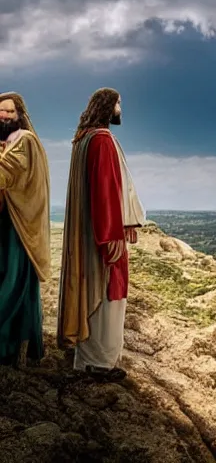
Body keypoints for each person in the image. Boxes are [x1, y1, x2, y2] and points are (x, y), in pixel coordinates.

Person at [57, 87, 145, 380]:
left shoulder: (82, 139)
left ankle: (87, 358)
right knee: (107, 291)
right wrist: (111, 236)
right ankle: (100, 362)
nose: (121, 108)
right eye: (119, 102)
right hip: (103, 235)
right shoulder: (102, 140)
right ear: (109, 106)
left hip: (87, 234)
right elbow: (106, 191)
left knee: (92, 289)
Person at [0, 91, 51, 368]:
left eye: (9, 111)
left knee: (12, 284)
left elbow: (6, 174)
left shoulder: (24, 141)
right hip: (5, 223)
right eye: (0, 111)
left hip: (17, 227)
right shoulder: (7, 142)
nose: (4, 116)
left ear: (20, 114)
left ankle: (8, 348)